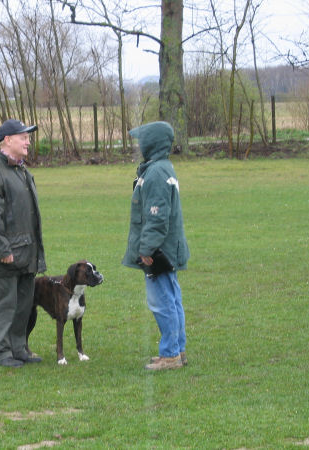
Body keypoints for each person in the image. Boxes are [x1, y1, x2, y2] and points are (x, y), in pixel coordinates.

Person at [0, 119, 46, 368]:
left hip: (26, 253)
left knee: (23, 305)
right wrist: (1, 249)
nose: (28, 141)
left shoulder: (21, 170)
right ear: (7, 140)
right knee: (3, 304)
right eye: (23, 136)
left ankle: (18, 348)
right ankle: (1, 353)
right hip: (5, 255)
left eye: (28, 137)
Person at [122, 121, 190, 371]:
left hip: (160, 252)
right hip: (168, 249)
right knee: (172, 299)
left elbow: (157, 216)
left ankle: (170, 355)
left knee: (162, 302)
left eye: (142, 141)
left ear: (152, 143)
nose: (138, 145)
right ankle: (177, 351)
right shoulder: (161, 168)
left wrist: (147, 249)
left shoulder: (156, 174)